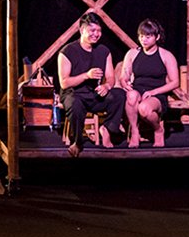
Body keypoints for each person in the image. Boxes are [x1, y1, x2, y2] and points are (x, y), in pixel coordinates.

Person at [55, 13, 126, 156]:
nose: (96, 34)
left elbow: (111, 77)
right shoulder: (67, 52)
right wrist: (86, 76)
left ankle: (107, 128)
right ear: (82, 30)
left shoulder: (104, 51)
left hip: (94, 94)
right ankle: (77, 142)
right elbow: (64, 83)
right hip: (74, 94)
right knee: (74, 104)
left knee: (119, 95)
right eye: (92, 31)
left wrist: (106, 86)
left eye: (99, 31)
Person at [120, 18, 180, 148]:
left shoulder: (166, 55)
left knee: (144, 109)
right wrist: (125, 83)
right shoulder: (132, 53)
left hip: (157, 93)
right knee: (131, 97)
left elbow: (175, 82)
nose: (144, 40)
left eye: (148, 36)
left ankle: (158, 130)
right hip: (137, 90)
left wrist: (153, 92)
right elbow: (124, 76)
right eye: (141, 36)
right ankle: (135, 133)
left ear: (157, 37)